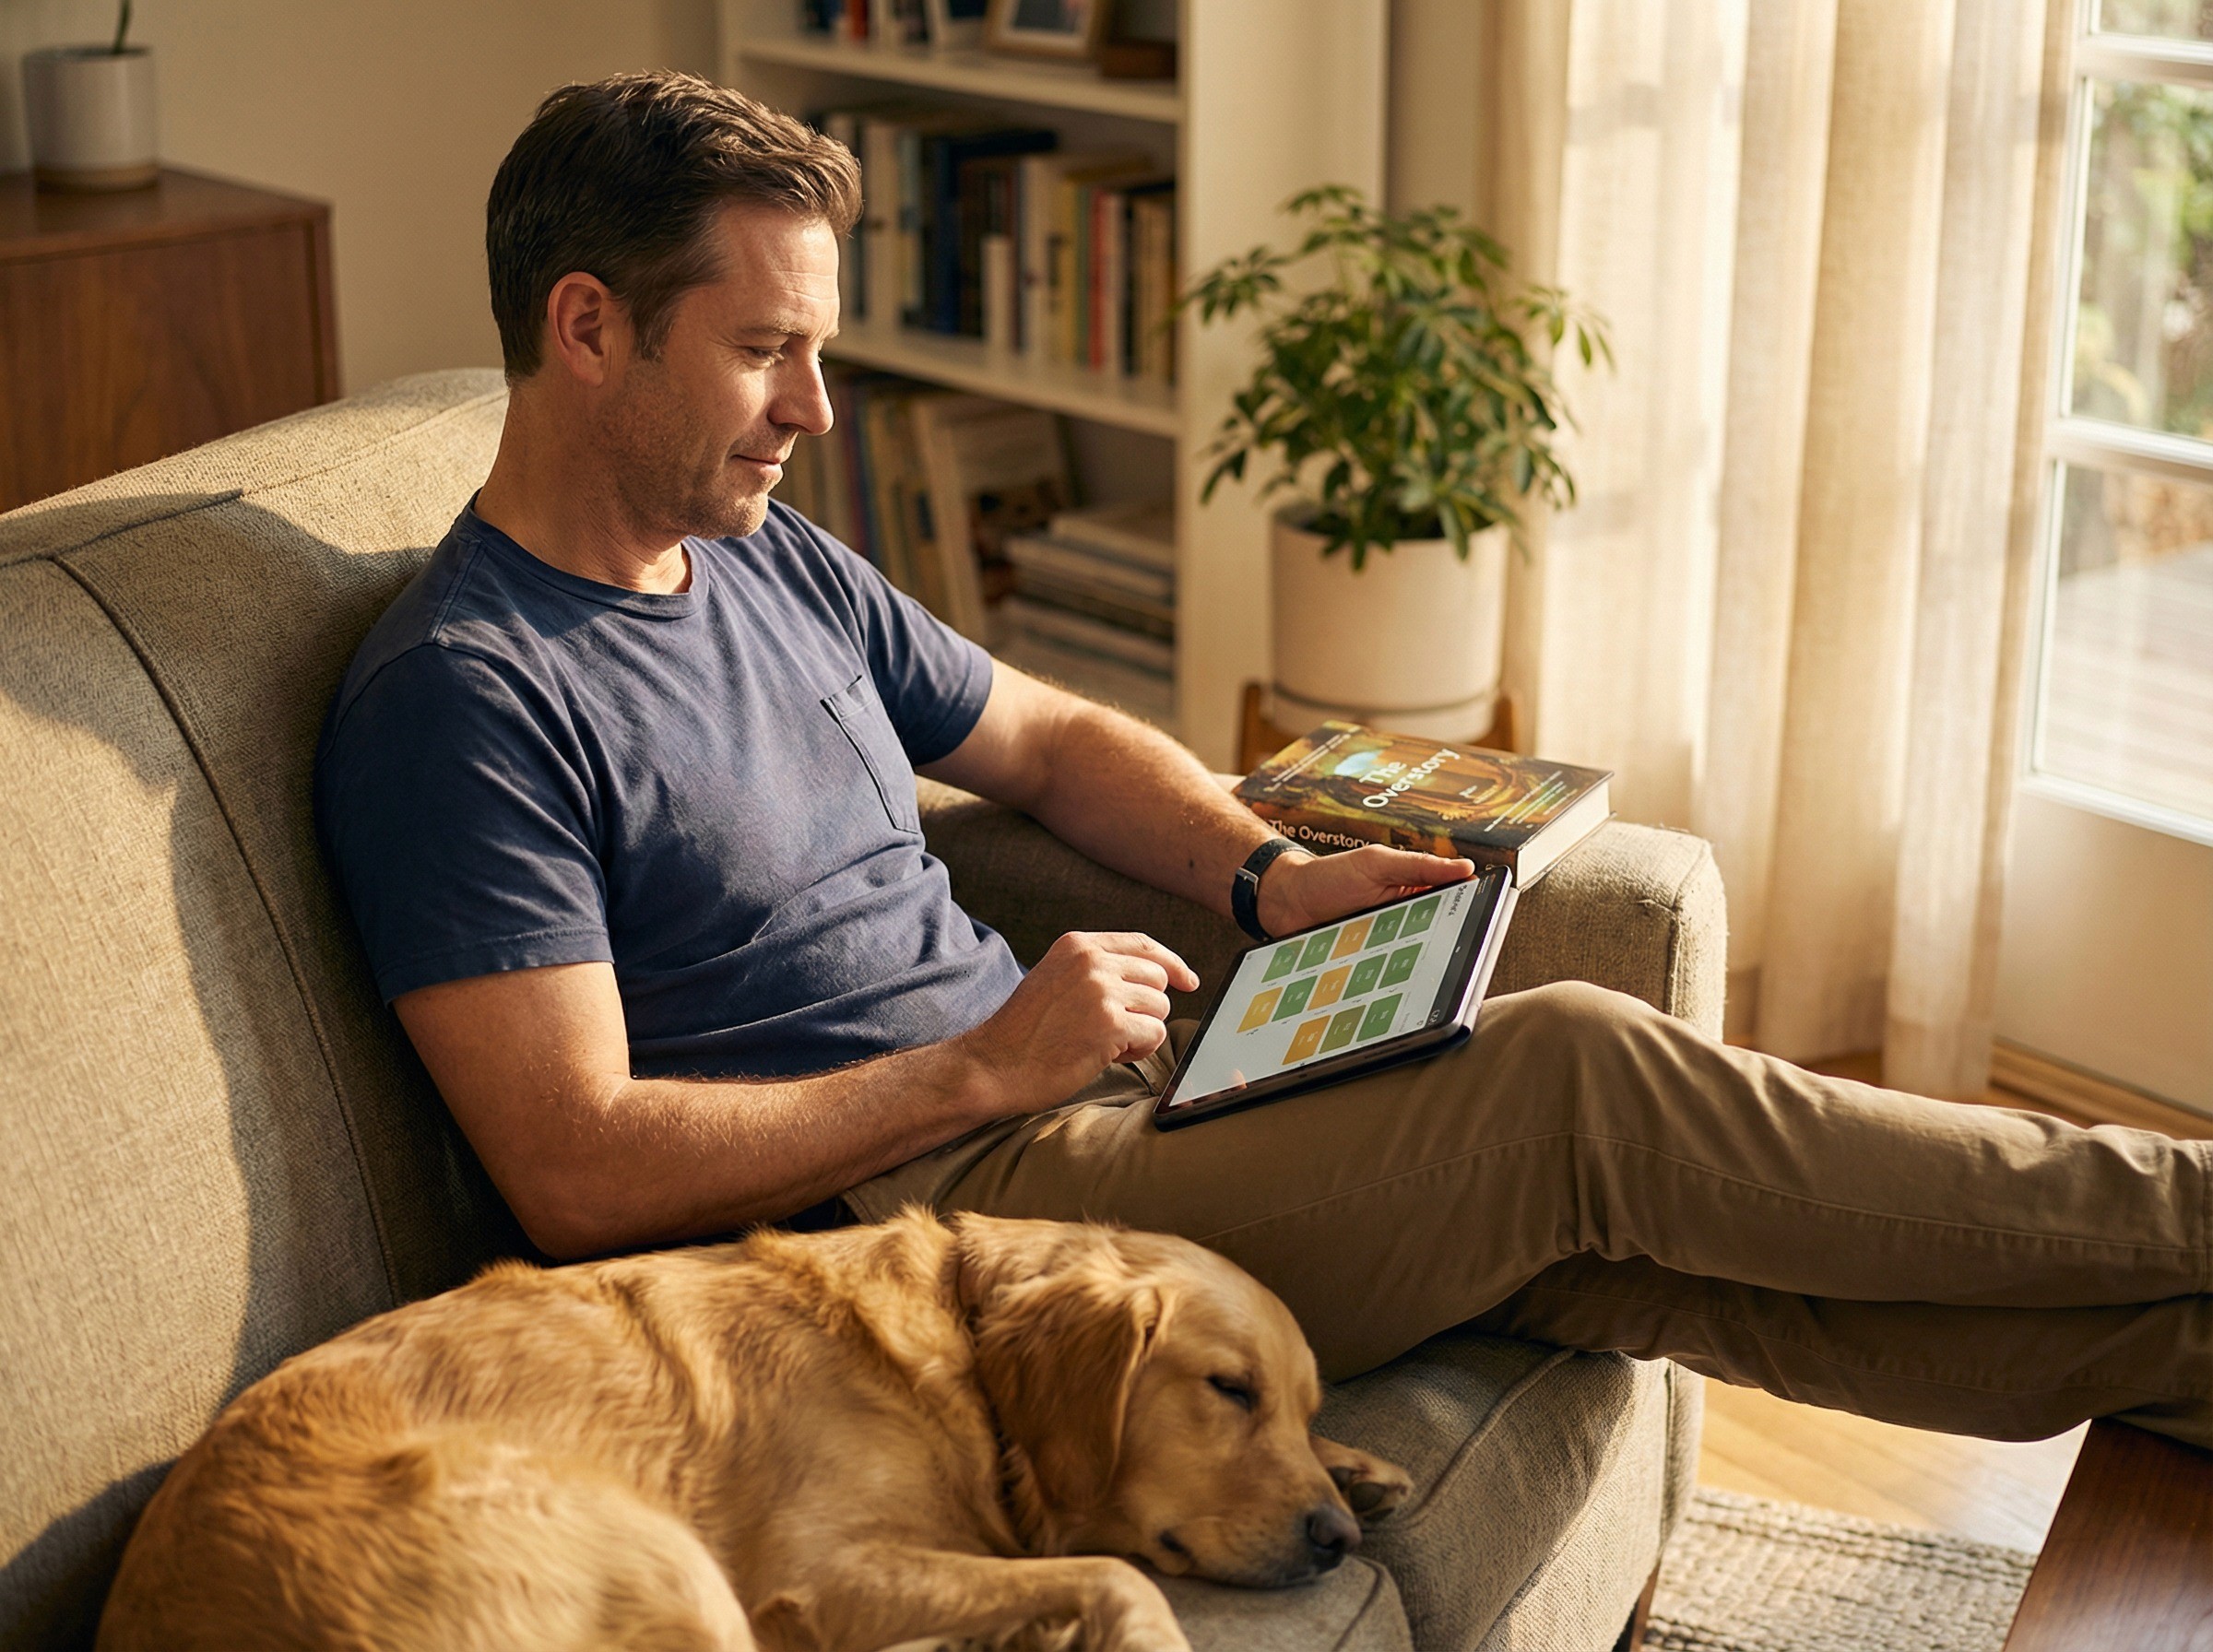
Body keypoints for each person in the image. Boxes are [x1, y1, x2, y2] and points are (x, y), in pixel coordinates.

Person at [316, 71, 2213, 1449]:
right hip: (939, 1251)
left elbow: (1046, 738)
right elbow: (569, 1165)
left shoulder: (758, 554)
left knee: (1626, 1269)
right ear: (587, 330)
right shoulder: (466, 698)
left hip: (1093, 1111)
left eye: (817, 352)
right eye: (764, 353)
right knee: (1575, 1080)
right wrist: (985, 1057)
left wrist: (1259, 873)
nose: (814, 409)